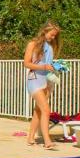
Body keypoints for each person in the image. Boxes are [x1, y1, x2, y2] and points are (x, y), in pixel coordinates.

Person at [23, 21, 62, 149]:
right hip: (34, 79)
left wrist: (56, 67)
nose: (53, 38)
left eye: (55, 36)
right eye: (52, 35)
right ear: (45, 31)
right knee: (46, 109)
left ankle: (30, 137)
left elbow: (48, 64)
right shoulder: (32, 44)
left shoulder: (50, 47)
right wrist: (43, 66)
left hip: (47, 80)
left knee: (39, 110)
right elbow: (27, 64)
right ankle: (47, 141)